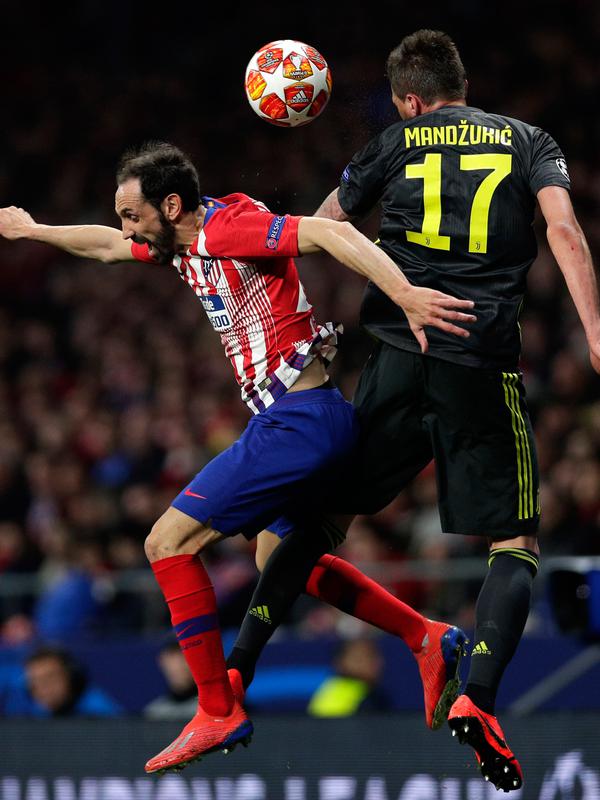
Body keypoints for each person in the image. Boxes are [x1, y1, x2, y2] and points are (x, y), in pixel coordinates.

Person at [0, 141, 475, 774]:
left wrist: (407, 295)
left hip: (298, 425)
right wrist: (33, 230)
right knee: (277, 558)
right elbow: (106, 247)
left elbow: (334, 237)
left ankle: (216, 709)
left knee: (166, 543)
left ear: (172, 205)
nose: (126, 228)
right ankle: (426, 637)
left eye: (133, 214)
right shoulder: (181, 240)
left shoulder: (228, 227)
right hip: (302, 422)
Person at [224, 30, 600, 793]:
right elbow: (562, 230)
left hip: (394, 357)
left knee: (322, 521)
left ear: (409, 99)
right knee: (514, 540)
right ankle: (480, 696)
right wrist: (597, 332)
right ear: (460, 83)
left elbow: (322, 230)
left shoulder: (391, 142)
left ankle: (232, 676)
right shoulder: (529, 139)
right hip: (479, 362)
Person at [2, 645, 122, 717]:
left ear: (70, 678)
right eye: (35, 681)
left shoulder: (98, 711)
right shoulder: (34, 713)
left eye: (50, 677)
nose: (43, 687)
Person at [307, 637, 391, 717]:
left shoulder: (374, 694)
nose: (376, 662)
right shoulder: (362, 698)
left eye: (375, 656)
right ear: (341, 662)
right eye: (362, 657)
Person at [144, 639, 198, 720]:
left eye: (184, 655)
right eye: (172, 656)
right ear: (161, 661)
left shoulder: (212, 710)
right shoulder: (153, 713)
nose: (178, 664)